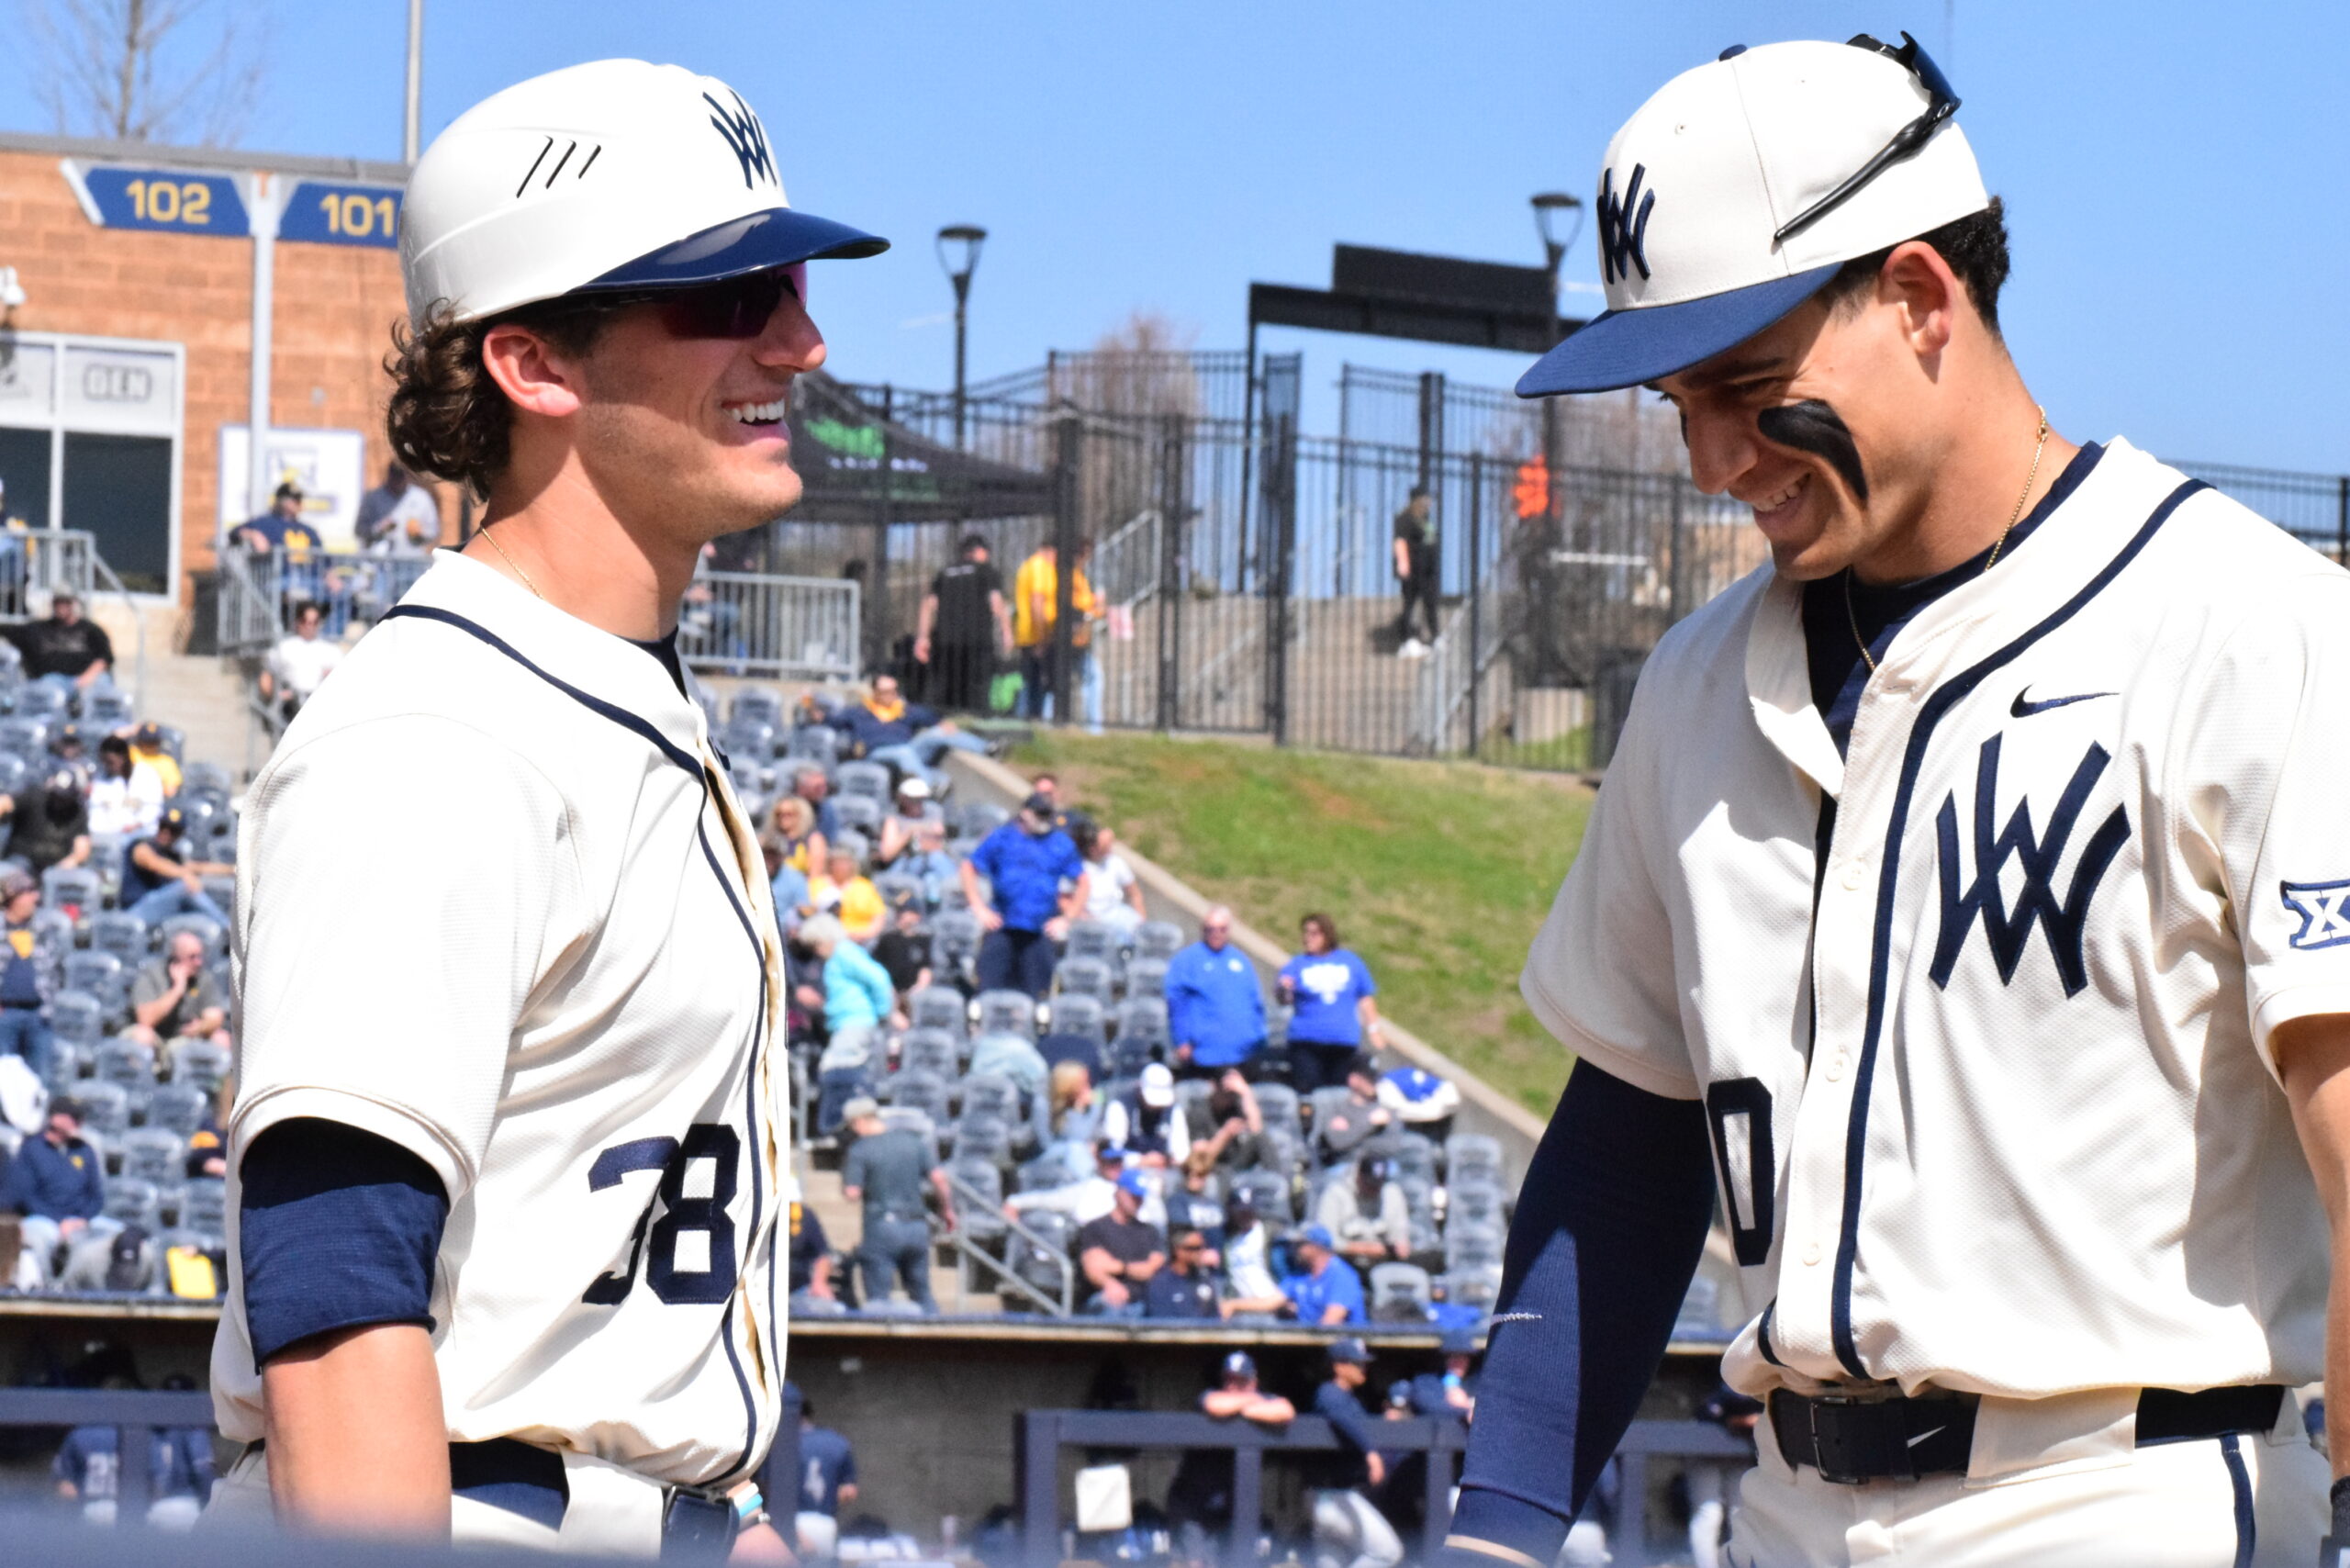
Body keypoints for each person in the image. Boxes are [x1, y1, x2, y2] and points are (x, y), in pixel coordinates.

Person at [1448, 35, 2345, 1568]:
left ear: (1923, 296)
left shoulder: (2249, 625)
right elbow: (1632, 1141)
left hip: (2129, 1494)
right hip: (1789, 1505)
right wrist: (1500, 1526)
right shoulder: (1694, 683)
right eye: (1681, 402)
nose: (1716, 456)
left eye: (1751, 385)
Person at [203, 58, 883, 1552]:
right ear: (532, 363)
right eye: (731, 294)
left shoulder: (600, 701)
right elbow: (335, 1301)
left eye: (790, 285)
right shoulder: (438, 733)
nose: (802, 338)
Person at [1169, 1351, 1296, 1568]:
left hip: (1231, 1507)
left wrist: (1243, 1408)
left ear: (1254, 1382)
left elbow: (1285, 1411)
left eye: (1241, 1381)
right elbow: (1215, 1405)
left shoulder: (1257, 1399)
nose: (1233, 1386)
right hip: (1192, 1502)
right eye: (1229, 1379)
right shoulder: (1211, 1395)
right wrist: (1252, 1402)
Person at [963, 793, 1086, 1000]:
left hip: (1039, 929)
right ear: (1026, 813)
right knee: (989, 990)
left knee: (1037, 994)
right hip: (1003, 924)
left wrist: (1067, 919)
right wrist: (978, 907)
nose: (1044, 821)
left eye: (1048, 816)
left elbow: (1083, 881)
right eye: (1040, 815)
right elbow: (969, 867)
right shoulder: (1002, 838)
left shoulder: (1060, 843)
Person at [840, 1097, 953, 1314]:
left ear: (858, 1122)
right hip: (916, 1226)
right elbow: (939, 1179)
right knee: (922, 1293)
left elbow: (852, 1193)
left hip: (882, 1226)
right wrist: (947, 1210)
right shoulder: (912, 1141)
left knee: (879, 1301)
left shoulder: (860, 1149)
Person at [54, 1378, 218, 1529]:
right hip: (137, 1510)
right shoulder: (150, 1432)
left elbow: (66, 1488)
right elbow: (157, 1480)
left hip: (92, 1510)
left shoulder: (82, 1433)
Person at [1310, 1338, 1404, 1568]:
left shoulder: (1351, 1401)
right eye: (1356, 1363)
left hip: (1332, 1498)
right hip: (1334, 1497)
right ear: (1338, 1366)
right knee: (1386, 1553)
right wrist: (1370, 1452)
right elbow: (1339, 1417)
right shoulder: (1329, 1392)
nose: (1363, 1367)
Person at [804, 915, 902, 1135]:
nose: (816, 951)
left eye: (816, 944)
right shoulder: (839, 956)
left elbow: (878, 977)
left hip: (855, 1023)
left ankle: (839, 1126)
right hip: (845, 1023)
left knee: (837, 1070)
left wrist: (884, 1012)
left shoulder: (844, 953)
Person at [0, 1098, 114, 1284]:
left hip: (81, 1220)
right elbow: (26, 1197)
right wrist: (59, 1222)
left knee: (115, 1233)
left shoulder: (84, 1150)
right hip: (44, 1219)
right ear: (57, 1119)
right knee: (39, 1238)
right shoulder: (32, 1148)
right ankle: (48, 1287)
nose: (79, 1123)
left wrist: (81, 1220)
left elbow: (96, 1197)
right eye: (74, 1117)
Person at [1277, 914, 1386, 1092]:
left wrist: (1374, 1029)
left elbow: (1365, 998)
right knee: (1308, 1090)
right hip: (1306, 1042)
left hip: (1342, 1043)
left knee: (1338, 1092)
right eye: (1306, 933)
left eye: (1314, 933)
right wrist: (1284, 989)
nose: (1308, 938)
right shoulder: (1298, 964)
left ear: (1327, 935)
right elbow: (1283, 999)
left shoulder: (1350, 962)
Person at [827, 674, 989, 793]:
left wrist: (941, 723)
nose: (892, 695)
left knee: (938, 733)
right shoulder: (859, 712)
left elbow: (929, 717)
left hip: (908, 749)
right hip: (877, 753)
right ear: (875, 692)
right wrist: (813, 711)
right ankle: (931, 785)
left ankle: (986, 748)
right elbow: (832, 722)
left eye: (894, 690)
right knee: (903, 752)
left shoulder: (904, 710)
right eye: (886, 691)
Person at [913, 532, 1012, 713]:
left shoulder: (945, 573)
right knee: (978, 688)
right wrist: (1006, 632)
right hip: (978, 640)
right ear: (980, 551)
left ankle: (942, 718)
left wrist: (923, 637)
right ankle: (976, 721)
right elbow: (996, 602)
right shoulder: (987, 571)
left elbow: (928, 605)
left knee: (946, 686)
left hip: (946, 641)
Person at [1166, 908, 1265, 1079]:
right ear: (1203, 930)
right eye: (1210, 929)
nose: (1216, 934)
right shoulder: (1187, 961)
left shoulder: (1240, 960)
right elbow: (1176, 1002)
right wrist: (1181, 1040)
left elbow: (1255, 1000)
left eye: (1222, 929)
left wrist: (1258, 1034)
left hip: (1243, 1053)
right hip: (1204, 1054)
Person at [1009, 541, 1098, 720]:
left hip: (1037, 634)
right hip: (1038, 635)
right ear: (1051, 549)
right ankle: (1030, 722)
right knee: (1041, 683)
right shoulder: (1040, 567)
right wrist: (1042, 639)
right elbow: (1037, 602)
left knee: (1036, 683)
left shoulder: (1032, 566)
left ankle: (1032, 721)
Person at [125, 927, 231, 1061]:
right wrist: (177, 990)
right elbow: (145, 1020)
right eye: (192, 957)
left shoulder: (203, 978)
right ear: (176, 959)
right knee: (142, 1035)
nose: (199, 962)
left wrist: (200, 1027)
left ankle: (213, 1082)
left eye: (200, 956)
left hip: (186, 1038)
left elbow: (215, 1016)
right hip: (157, 1037)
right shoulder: (151, 975)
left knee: (221, 1038)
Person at [1685, 1384, 1762, 1568]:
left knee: (1739, 1514)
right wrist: (1742, 1421)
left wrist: (1758, 1420)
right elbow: (1714, 1417)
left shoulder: (1761, 1397)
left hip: (1739, 1459)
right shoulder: (1722, 1396)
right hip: (1704, 1456)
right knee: (1708, 1514)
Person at [118, 807, 232, 927]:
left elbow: (198, 867)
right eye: (163, 827)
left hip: (159, 911)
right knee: (184, 887)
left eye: (173, 830)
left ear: (180, 834)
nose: (166, 833)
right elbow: (154, 863)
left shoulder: (172, 855)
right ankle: (228, 929)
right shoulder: (141, 846)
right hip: (134, 911)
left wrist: (232, 869)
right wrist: (184, 875)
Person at [1076, 1169, 1165, 1317]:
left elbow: (1152, 1269)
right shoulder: (1095, 1228)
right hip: (1106, 1297)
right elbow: (1093, 1269)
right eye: (1133, 1196)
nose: (1137, 1201)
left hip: (1144, 1297)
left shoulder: (1150, 1232)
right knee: (1110, 1305)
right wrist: (1110, 1283)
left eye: (1140, 1197)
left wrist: (1119, 1267)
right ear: (1119, 1193)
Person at [0, 867, 59, 1080]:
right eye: (28, 892)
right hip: (5, 1015)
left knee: (39, 1079)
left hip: (38, 1015)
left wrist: (49, 1003)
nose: (36, 897)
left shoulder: (42, 930)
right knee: (4, 1082)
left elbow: (54, 970)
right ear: (13, 897)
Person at [792, 1394, 858, 1561]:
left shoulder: (781, 1444)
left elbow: (766, 1488)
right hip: (824, 1522)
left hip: (789, 1524)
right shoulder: (836, 1441)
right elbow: (849, 1492)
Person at [258, 599, 343, 729]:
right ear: (298, 622)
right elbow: (267, 675)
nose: (309, 626)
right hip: (290, 706)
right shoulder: (284, 647)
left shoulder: (331, 651)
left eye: (314, 622)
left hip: (319, 707)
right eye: (305, 621)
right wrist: (275, 695)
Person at [1314, 1156, 1411, 1267]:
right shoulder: (1336, 1193)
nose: (1375, 1189)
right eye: (1370, 1184)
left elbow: (1400, 1235)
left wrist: (1401, 1246)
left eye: (1379, 1185)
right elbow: (1325, 1240)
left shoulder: (1392, 1193)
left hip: (1383, 1264)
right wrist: (1364, 1248)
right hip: (1344, 1264)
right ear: (1359, 1176)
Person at [7, 588, 113, 686]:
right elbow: (9, 633)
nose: (61, 606)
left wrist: (87, 678)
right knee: (45, 689)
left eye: (66, 602)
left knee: (102, 685)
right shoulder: (38, 629)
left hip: (87, 677)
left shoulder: (91, 629)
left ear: (74, 604)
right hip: (53, 680)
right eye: (58, 602)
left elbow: (104, 657)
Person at [0, 766, 91, 874]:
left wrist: (67, 865)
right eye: (56, 793)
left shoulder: (78, 812)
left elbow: (82, 847)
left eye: (64, 796)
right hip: (20, 861)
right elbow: (5, 803)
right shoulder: (34, 796)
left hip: (54, 868)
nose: (59, 799)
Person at [1314, 1053, 1394, 1165]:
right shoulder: (1336, 1104)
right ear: (1353, 1079)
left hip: (1376, 1165)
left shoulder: (1384, 1108)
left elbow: (1392, 1147)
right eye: (1369, 1079)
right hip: (1343, 1167)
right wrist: (1369, 1123)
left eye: (1376, 1079)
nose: (1374, 1083)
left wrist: (1351, 1132)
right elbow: (1337, 1142)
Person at [1281, 1224, 1367, 1327]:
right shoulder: (1299, 1274)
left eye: (1299, 1245)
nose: (1294, 1250)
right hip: (1307, 1338)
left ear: (1316, 1246)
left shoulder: (1342, 1275)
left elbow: (1331, 1321)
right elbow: (1273, 1300)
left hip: (1342, 1340)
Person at [1390, 486, 1438, 658]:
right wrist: (1403, 565)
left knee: (1430, 603)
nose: (1428, 503)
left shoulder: (1425, 519)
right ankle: (1407, 639)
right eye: (1425, 499)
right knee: (1410, 603)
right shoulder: (1405, 519)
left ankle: (1435, 637)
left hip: (1427, 570)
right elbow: (1400, 542)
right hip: (1413, 569)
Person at [1073, 820, 1146, 935]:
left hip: (1117, 915)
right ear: (1092, 849)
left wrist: (1141, 922)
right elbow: (1064, 898)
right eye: (1105, 846)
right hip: (1090, 923)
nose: (1110, 849)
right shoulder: (1078, 867)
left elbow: (1135, 893)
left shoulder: (1115, 862)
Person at [355, 460, 441, 556]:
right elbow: (359, 530)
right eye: (395, 476)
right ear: (389, 475)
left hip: (411, 562)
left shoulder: (421, 498)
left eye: (401, 477)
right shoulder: (373, 498)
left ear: (407, 477)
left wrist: (419, 533)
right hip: (380, 562)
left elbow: (433, 531)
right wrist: (379, 529)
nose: (397, 481)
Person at [85, 734, 163, 838]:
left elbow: (154, 809)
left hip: (142, 835)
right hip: (109, 837)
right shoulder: (100, 780)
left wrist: (136, 825)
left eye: (110, 762)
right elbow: (95, 813)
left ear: (123, 757)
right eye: (103, 761)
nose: (106, 766)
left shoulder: (147, 774)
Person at [808, 846, 885, 946]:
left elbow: (878, 917)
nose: (841, 867)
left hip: (862, 938)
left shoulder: (864, 886)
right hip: (827, 938)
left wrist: (865, 934)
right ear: (830, 864)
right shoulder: (817, 885)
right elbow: (809, 914)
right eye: (837, 862)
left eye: (845, 862)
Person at [786, 1181, 843, 1316]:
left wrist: (819, 1282)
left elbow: (823, 1253)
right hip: (763, 1291)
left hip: (798, 1289)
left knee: (833, 1309)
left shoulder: (805, 1216)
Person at [1145, 1226, 1221, 1319]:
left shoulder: (1204, 1280)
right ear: (1178, 1250)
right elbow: (1161, 1321)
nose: (1200, 1253)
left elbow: (1214, 1317)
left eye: (1202, 1248)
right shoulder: (1161, 1284)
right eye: (1194, 1248)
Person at [1408, 1328, 1480, 1424]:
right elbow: (1429, 1408)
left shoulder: (1478, 1382)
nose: (1458, 1361)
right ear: (1444, 1358)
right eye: (1453, 1356)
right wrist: (1466, 1408)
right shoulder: (1426, 1382)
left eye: (1463, 1357)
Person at [870, 889, 932, 997]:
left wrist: (919, 988)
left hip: (914, 993)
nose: (900, 915)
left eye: (904, 912)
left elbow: (925, 969)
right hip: (889, 991)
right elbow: (876, 967)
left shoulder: (923, 941)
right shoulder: (887, 939)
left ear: (916, 916)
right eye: (899, 912)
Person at [896, 818, 959, 911]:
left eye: (939, 838)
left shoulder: (940, 859)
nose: (935, 840)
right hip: (911, 866)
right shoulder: (906, 862)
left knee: (931, 878)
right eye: (930, 837)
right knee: (934, 862)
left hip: (933, 882)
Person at [876, 777, 935, 868]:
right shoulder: (894, 820)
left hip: (928, 862)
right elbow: (886, 854)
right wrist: (909, 833)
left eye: (921, 799)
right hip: (902, 864)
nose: (918, 804)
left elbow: (938, 845)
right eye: (914, 800)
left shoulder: (930, 816)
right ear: (903, 799)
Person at [128, 722, 181, 798]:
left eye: (154, 742)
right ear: (139, 741)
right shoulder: (131, 753)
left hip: (154, 802)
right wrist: (131, 730)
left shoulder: (167, 762)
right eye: (147, 742)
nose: (151, 746)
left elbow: (171, 791)